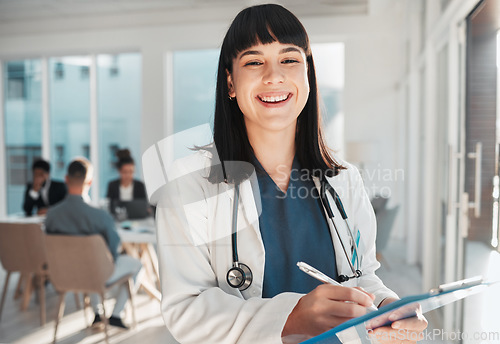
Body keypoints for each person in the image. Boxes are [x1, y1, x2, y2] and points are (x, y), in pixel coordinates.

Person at [155, 4, 428, 344]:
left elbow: (362, 278)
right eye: (254, 62)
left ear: (308, 76)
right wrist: (290, 317)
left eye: (289, 60)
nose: (273, 76)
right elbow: (186, 310)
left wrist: (387, 308)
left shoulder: (344, 180)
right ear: (230, 82)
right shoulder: (187, 187)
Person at [45, 157, 142, 329]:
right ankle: (117, 314)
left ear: (66, 179)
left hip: (63, 275)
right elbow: (113, 252)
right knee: (136, 265)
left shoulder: (51, 215)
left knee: (86, 262)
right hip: (95, 273)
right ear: (89, 181)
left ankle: (97, 314)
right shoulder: (100, 217)